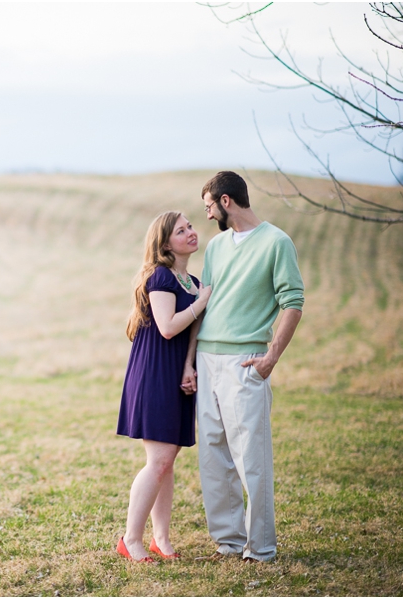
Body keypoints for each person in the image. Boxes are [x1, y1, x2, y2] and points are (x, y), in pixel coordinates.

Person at [193, 171, 304, 563]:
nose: (206, 215)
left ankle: (261, 547)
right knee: (212, 452)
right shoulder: (215, 247)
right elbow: (203, 305)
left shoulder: (277, 242)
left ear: (226, 201)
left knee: (251, 457)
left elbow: (293, 302)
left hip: (246, 361)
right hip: (207, 360)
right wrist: (192, 362)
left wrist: (271, 357)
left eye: (209, 206)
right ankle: (228, 541)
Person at [116, 211, 212, 563]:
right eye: (180, 230)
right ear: (165, 243)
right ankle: (130, 539)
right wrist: (202, 302)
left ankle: (161, 539)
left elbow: (191, 332)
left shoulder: (191, 280)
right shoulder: (160, 277)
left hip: (175, 372)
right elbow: (168, 326)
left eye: (189, 226)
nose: (190, 232)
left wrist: (189, 365)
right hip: (153, 373)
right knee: (158, 460)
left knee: (167, 462)